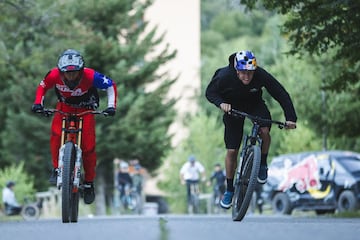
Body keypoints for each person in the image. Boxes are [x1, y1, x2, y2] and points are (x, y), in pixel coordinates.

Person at [205, 50, 297, 209]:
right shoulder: (224, 76)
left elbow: (280, 93)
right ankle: (229, 189)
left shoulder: (260, 74)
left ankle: (262, 163)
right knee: (232, 151)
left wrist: (291, 118)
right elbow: (210, 92)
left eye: (250, 73)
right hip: (232, 108)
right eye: (243, 73)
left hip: (254, 105)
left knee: (265, 131)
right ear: (236, 70)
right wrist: (221, 103)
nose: (247, 77)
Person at [31, 49, 117, 204]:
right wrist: (38, 103)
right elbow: (42, 87)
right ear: (61, 71)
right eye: (67, 73)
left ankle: (89, 182)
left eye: (74, 73)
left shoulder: (91, 76)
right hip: (64, 107)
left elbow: (111, 85)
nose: (70, 77)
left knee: (89, 147)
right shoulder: (53, 75)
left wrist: (111, 106)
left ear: (81, 70)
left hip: (86, 109)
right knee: (56, 135)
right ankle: (57, 169)